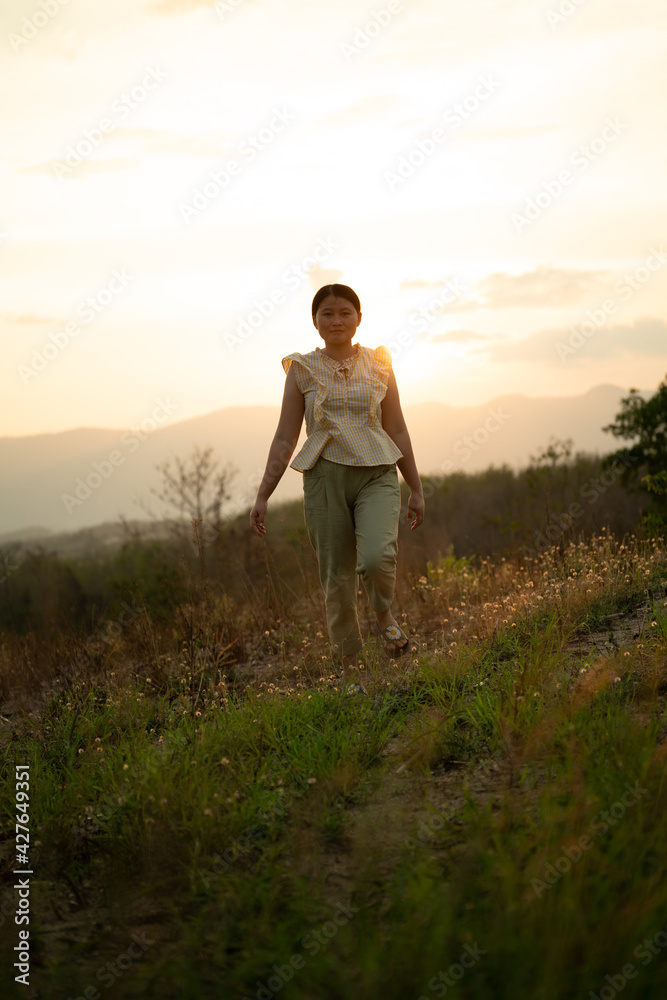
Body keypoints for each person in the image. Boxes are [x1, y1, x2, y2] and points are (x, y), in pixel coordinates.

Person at [249, 283, 425, 692]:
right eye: (326, 313)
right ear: (315, 322)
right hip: (325, 478)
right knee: (338, 579)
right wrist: (263, 494)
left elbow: (396, 426)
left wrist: (415, 487)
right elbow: (284, 436)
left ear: (359, 318)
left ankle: (384, 614)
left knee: (378, 556)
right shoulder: (302, 369)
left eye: (345, 312)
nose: (336, 320)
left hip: (378, 472)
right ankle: (350, 672)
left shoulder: (381, 364)